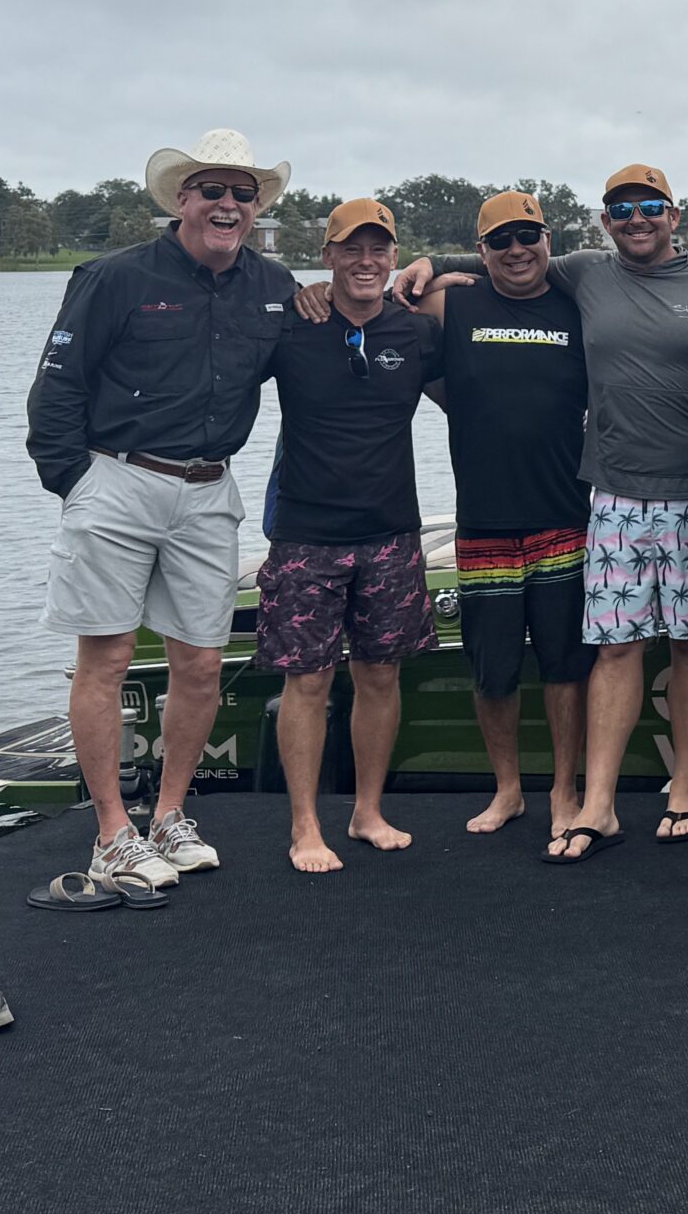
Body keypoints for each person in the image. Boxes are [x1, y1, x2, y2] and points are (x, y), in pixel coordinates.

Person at [400, 164, 688, 861]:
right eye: (623, 211)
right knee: (590, 651)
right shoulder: (570, 276)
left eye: (651, 207)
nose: (637, 220)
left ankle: (671, 791)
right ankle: (583, 802)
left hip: (686, 492)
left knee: (681, 645)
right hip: (601, 496)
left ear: (674, 215)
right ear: (605, 223)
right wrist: (429, 264)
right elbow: (448, 305)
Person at [26, 128, 299, 892]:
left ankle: (170, 815)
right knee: (108, 657)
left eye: (243, 193)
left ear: (256, 208)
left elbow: (323, 340)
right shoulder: (114, 277)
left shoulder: (275, 286)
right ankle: (112, 832)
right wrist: (77, 486)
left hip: (210, 490)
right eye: (212, 190)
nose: (227, 204)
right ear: (183, 198)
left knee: (203, 663)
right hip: (118, 478)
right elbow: (56, 390)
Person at [258, 200, 444, 872]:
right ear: (328, 255)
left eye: (379, 250)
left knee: (381, 676)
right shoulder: (291, 326)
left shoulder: (416, 333)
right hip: (306, 535)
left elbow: (475, 399)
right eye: (351, 249)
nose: (366, 262)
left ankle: (368, 812)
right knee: (307, 683)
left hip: (390, 533)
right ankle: (305, 827)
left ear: (394, 256)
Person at [413, 190, 592, 840]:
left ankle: (565, 790)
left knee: (565, 665)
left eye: (528, 236)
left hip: (563, 515)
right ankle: (508, 790)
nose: (516, 250)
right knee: (493, 670)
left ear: (547, 240)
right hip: (484, 519)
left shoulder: (576, 303)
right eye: (500, 241)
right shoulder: (452, 303)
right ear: (481, 250)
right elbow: (396, 324)